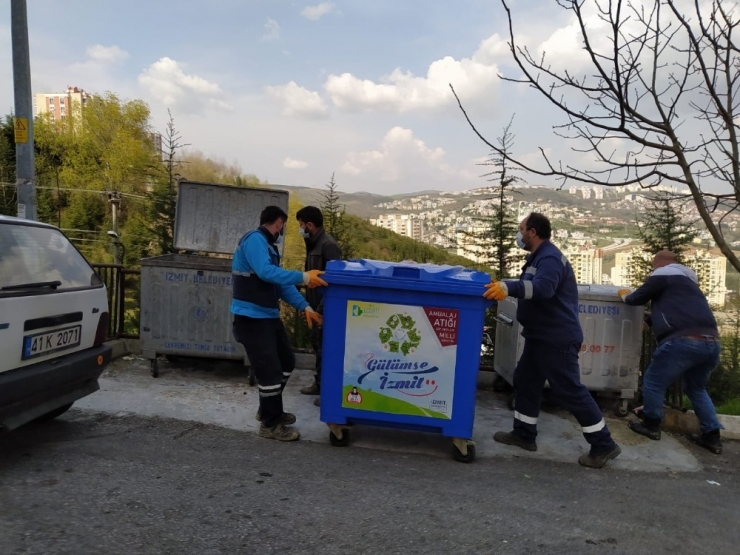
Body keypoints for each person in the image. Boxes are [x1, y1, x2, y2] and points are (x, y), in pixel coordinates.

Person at [484, 212, 621, 468]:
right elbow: (530, 284)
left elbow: (543, 289)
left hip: (556, 338)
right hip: (540, 336)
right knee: (526, 380)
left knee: (570, 390)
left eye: (521, 228)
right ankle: (524, 434)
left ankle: (604, 444)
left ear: (532, 232)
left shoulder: (549, 258)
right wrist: (504, 284)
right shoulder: (539, 256)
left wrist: (509, 289)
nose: (519, 233)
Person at [231, 205, 327, 442]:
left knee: (286, 361)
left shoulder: (269, 247)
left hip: (267, 316)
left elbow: (281, 284)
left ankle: (269, 409)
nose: (283, 229)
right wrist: (304, 277)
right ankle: (270, 424)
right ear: (278, 223)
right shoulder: (254, 241)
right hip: (251, 319)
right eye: (283, 225)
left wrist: (305, 306)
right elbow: (265, 273)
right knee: (270, 372)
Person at [617, 250, 724, 454]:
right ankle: (712, 437)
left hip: (683, 341)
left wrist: (624, 295)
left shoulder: (662, 274)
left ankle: (651, 425)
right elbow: (675, 308)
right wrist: (649, 321)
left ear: (658, 263)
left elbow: (635, 299)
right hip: (711, 342)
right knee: (696, 389)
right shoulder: (688, 282)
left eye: (652, 266)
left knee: (653, 381)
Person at [295, 206, 342, 407]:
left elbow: (334, 280)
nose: (300, 229)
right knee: (317, 345)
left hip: (325, 308)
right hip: (314, 306)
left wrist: (322, 309)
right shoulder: (312, 243)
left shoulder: (327, 245)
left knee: (326, 349)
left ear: (310, 225)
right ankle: (319, 383)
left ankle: (328, 391)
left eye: (301, 225)